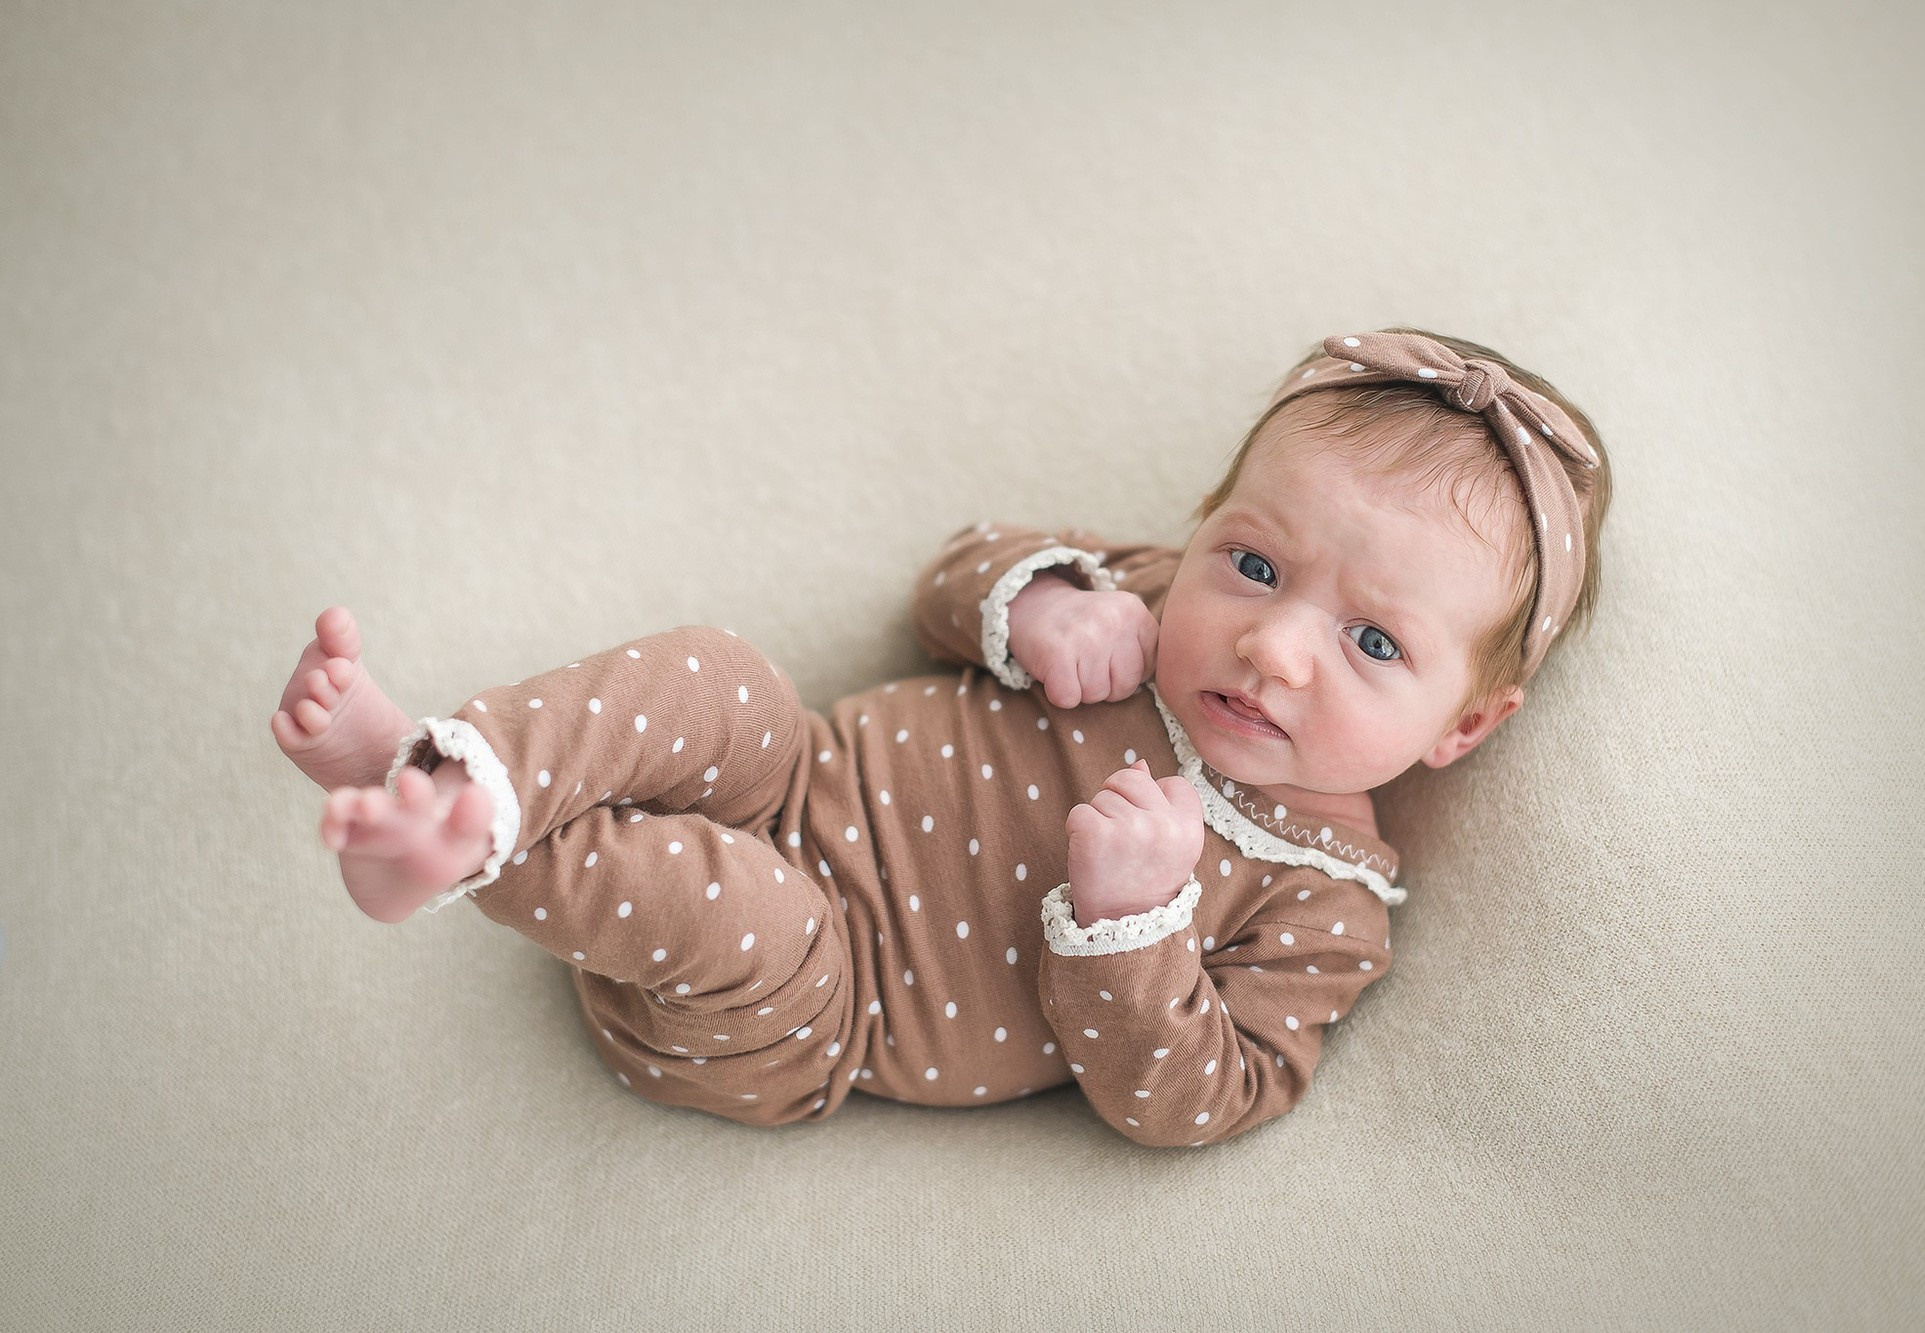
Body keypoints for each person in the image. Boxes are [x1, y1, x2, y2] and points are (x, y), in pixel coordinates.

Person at [270, 327, 1610, 1148]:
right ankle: (455, 770)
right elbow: (948, 572)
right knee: (725, 674)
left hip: (816, 1003)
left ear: (1466, 726)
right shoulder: (1145, 597)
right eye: (1255, 564)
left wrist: (1132, 924)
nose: (1274, 644)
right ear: (1206, 521)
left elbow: (1203, 1098)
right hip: (800, 770)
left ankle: (451, 848)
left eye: (1374, 643)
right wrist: (1031, 601)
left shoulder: (1328, 904)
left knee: (739, 903)